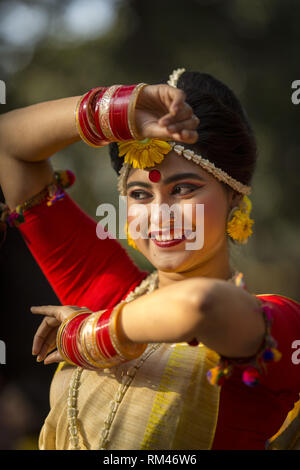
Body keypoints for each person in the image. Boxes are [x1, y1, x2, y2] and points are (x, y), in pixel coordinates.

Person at [0, 69, 299, 450]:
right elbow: (9, 143)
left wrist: (92, 336)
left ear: (235, 199)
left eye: (184, 189)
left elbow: (200, 305)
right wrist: (118, 107)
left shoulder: (276, 325)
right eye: (140, 194)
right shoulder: (104, 288)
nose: (161, 214)